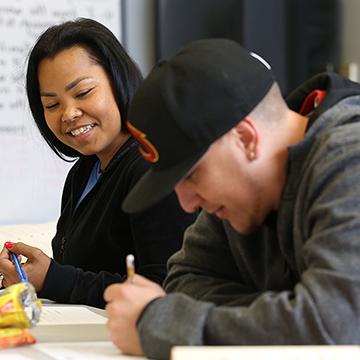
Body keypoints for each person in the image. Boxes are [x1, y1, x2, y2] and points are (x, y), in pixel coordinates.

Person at [104, 38, 360, 358]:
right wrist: (290, 311)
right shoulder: (239, 197)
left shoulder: (350, 159)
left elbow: (339, 327)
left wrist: (158, 322)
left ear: (245, 139)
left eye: (192, 174)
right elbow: (184, 281)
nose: (187, 204)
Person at [0, 18, 196, 308]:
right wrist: (32, 276)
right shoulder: (84, 171)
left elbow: (167, 289)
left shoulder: (151, 169)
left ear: (118, 81)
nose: (68, 114)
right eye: (52, 105)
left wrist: (54, 279)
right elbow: (83, 274)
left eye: (83, 93)